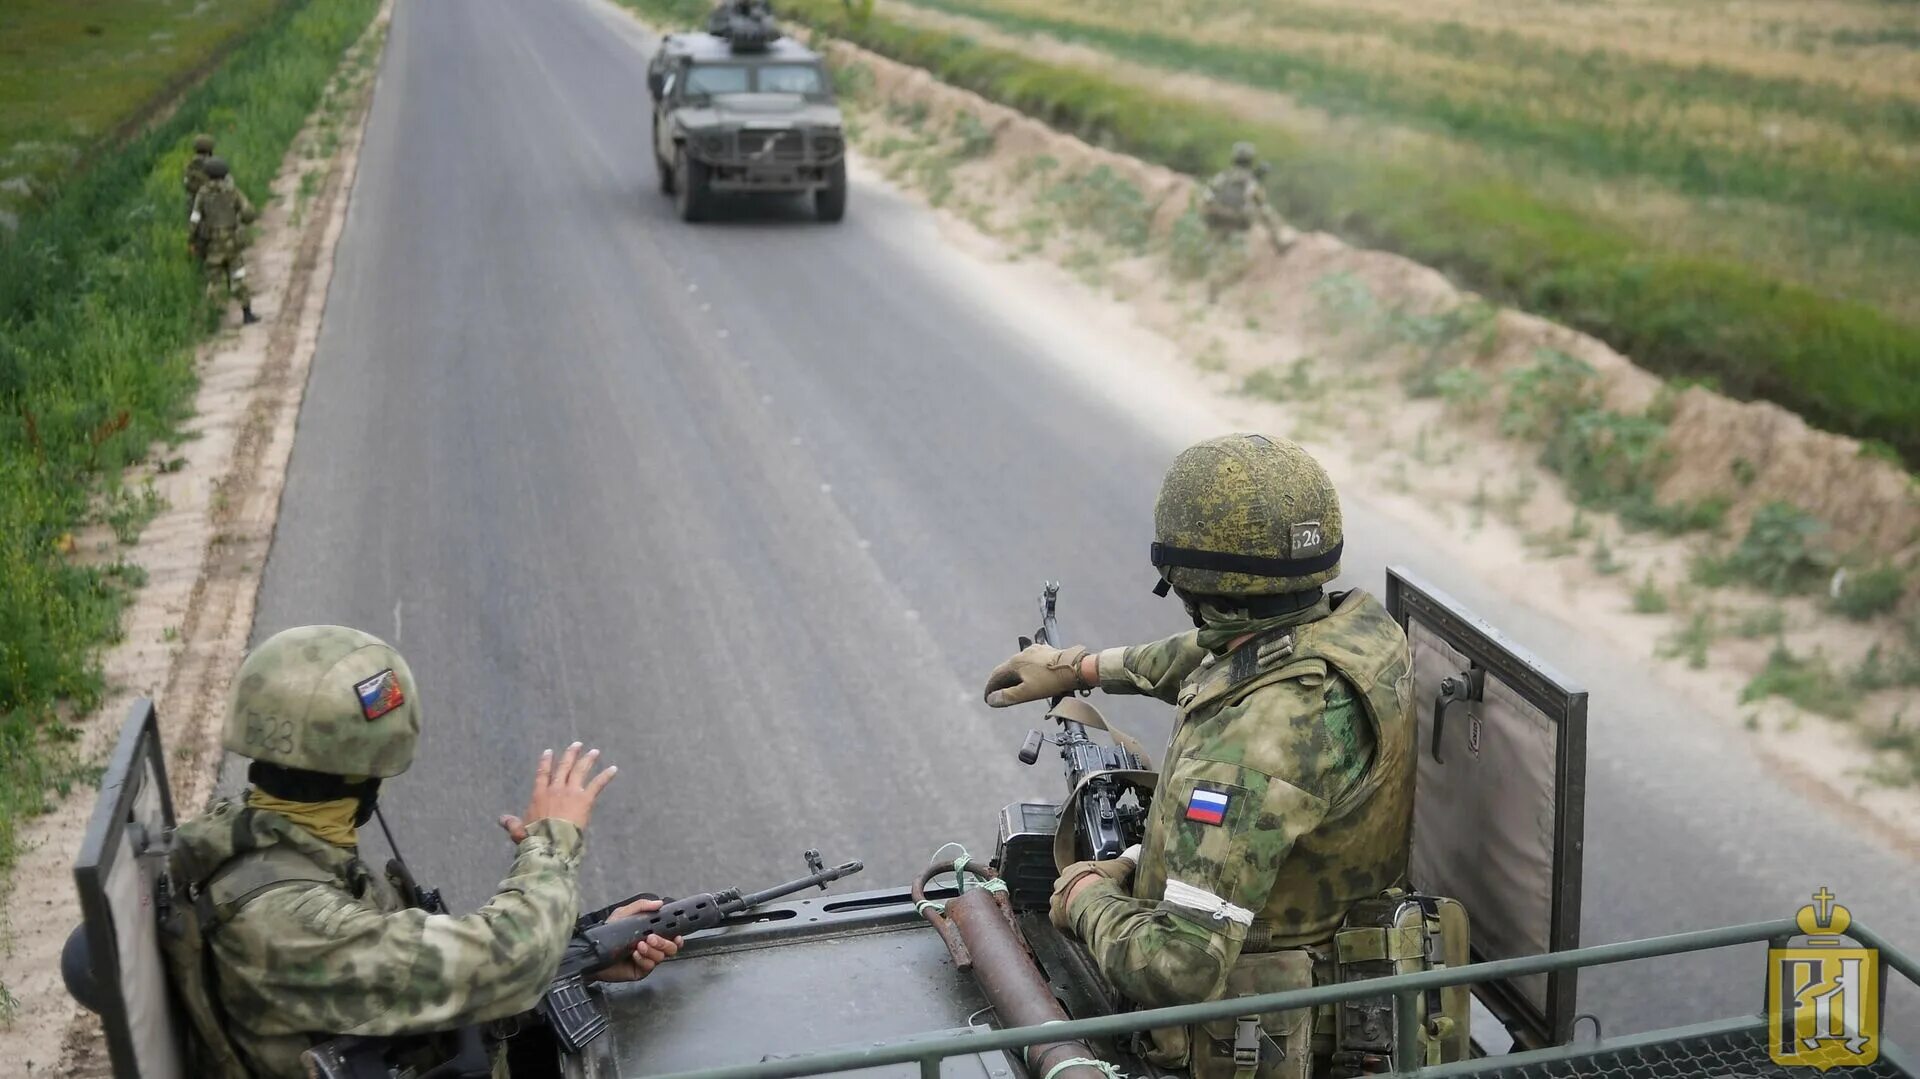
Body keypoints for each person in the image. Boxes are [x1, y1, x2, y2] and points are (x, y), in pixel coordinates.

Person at [982, 434, 1415, 1079]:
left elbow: (1178, 968)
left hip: (1256, 1036)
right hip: (1347, 951)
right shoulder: (1359, 632)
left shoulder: (1246, 750)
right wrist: (1082, 669)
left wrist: (1083, 896)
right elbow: (1216, 651)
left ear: (1183, 578)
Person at [168, 625, 678, 1078]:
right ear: (366, 773)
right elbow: (508, 960)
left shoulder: (272, 845)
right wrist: (551, 841)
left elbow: (421, 982)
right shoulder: (284, 919)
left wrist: (584, 951)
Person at [189, 156, 260, 324]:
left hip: (212, 245)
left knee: (214, 282)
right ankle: (247, 314)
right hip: (232, 243)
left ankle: (213, 319)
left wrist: (192, 239)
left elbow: (195, 219)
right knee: (238, 278)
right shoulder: (233, 192)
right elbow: (248, 214)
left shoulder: (202, 194)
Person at [184, 134, 217, 254]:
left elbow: (187, 185)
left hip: (194, 203)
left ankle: (197, 251)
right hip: (211, 202)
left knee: (196, 229)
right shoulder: (213, 163)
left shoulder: (190, 166)